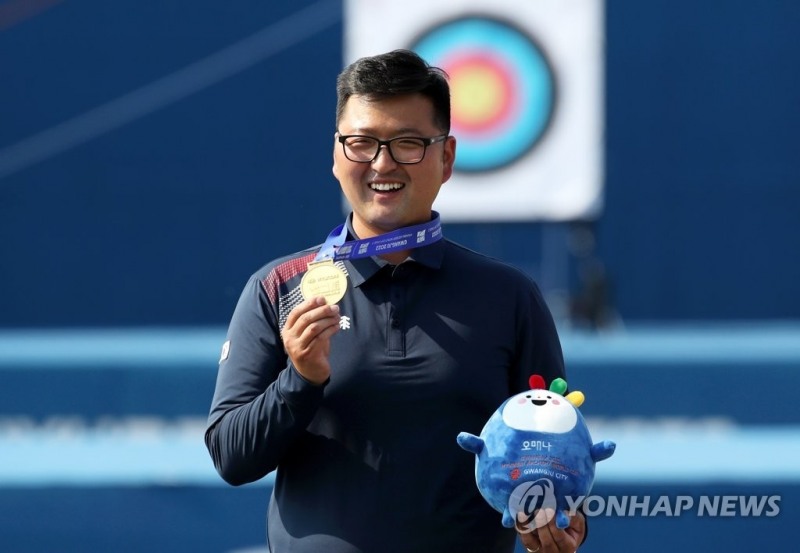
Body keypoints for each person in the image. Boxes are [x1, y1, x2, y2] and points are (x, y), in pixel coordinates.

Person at [205, 49, 586, 553]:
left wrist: (559, 516)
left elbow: (549, 451)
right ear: (336, 155)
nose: (382, 164)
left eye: (408, 143)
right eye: (361, 143)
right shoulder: (279, 287)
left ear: (446, 157)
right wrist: (301, 379)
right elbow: (233, 458)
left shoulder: (509, 296)